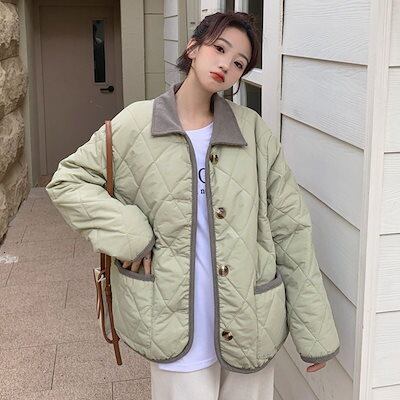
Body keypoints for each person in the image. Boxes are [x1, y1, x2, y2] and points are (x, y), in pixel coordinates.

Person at [46, 11, 340, 400]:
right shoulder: (136, 123)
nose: (226, 64)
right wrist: (130, 234)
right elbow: (68, 181)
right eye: (219, 48)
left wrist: (314, 333)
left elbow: (290, 229)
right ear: (193, 47)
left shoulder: (253, 132)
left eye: (239, 63)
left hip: (250, 321)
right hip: (170, 318)